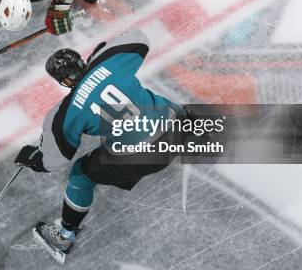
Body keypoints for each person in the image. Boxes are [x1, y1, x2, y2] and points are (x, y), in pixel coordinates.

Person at [14, 31, 195, 263]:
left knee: (80, 175)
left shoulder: (63, 113)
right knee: (154, 101)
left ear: (65, 81)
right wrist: (99, 56)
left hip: (144, 157)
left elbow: (54, 160)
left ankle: (64, 236)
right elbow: (141, 37)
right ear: (82, 61)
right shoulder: (110, 60)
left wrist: (33, 158)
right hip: (176, 128)